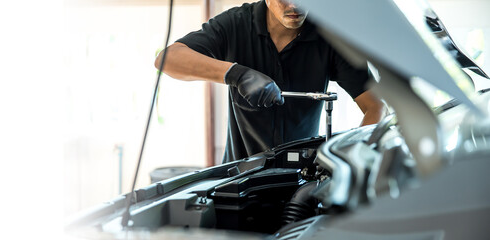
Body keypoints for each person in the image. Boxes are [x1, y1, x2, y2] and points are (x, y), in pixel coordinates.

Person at [154, 0, 385, 163]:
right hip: (240, 179)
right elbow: (167, 59)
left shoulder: (329, 37)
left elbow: (375, 106)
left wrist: (357, 154)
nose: (294, 5)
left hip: (301, 181)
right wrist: (236, 74)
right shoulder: (235, 25)